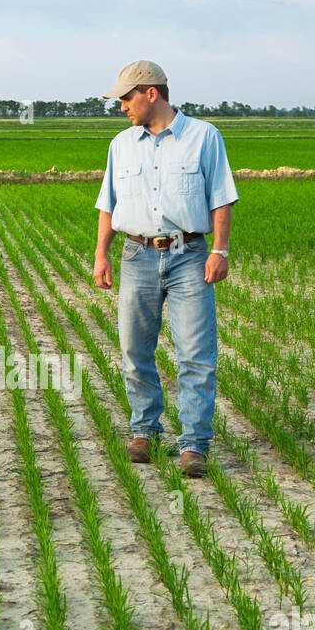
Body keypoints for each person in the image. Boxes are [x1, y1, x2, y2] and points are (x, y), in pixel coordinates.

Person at [92, 60, 238, 476]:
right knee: (135, 349)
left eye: (125, 97)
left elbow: (222, 198)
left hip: (190, 255)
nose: (121, 106)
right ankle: (145, 431)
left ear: (151, 92)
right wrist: (102, 254)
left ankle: (193, 444)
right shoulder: (121, 144)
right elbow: (109, 204)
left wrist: (220, 251)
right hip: (136, 255)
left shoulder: (204, 137)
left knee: (195, 353)